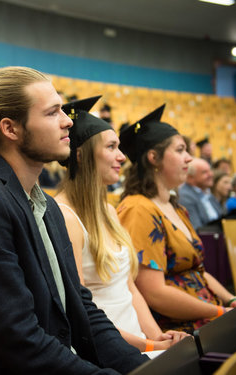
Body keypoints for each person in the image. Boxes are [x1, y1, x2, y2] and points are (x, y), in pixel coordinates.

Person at [0, 66, 149, 374]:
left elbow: (83, 312)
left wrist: (141, 368)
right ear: (11, 128)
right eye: (52, 113)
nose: (68, 121)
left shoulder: (44, 204)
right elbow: (19, 340)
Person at [54, 97, 187, 354]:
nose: (122, 156)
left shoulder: (109, 211)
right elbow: (80, 311)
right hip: (105, 347)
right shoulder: (64, 216)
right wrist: (149, 345)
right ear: (81, 155)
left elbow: (129, 288)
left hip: (136, 339)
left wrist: (159, 337)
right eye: (112, 147)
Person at [116, 105, 236, 334]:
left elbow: (199, 271)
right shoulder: (138, 209)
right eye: (181, 150)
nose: (189, 158)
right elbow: (154, 293)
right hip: (180, 328)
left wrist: (232, 300)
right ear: (154, 158)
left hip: (209, 314)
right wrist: (220, 313)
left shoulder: (176, 207)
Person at [178, 158, 220, 231]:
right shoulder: (185, 196)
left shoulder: (207, 192)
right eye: (204, 172)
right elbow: (197, 230)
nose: (211, 174)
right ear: (190, 177)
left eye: (210, 170)